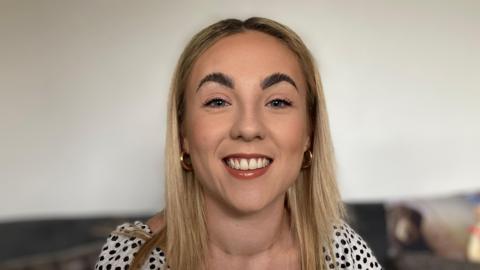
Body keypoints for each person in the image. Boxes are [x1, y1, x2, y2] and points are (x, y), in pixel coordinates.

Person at [95, 17, 381, 270]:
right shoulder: (129, 258)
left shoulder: (344, 255)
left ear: (310, 133)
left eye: (278, 101)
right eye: (218, 101)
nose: (248, 127)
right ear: (183, 135)